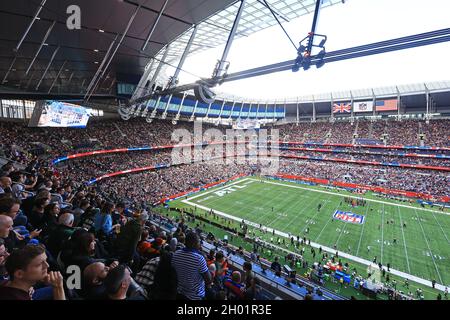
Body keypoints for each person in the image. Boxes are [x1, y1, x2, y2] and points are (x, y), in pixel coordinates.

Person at [0, 244, 65, 300]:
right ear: (19, 274)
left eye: (45, 261)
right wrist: (58, 287)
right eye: (39, 264)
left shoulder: (9, 283)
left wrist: (28, 287)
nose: (47, 265)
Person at [171, 231, 211, 300]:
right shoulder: (199, 258)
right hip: (195, 296)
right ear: (193, 244)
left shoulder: (176, 253)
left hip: (178, 293)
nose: (200, 244)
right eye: (198, 242)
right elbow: (208, 280)